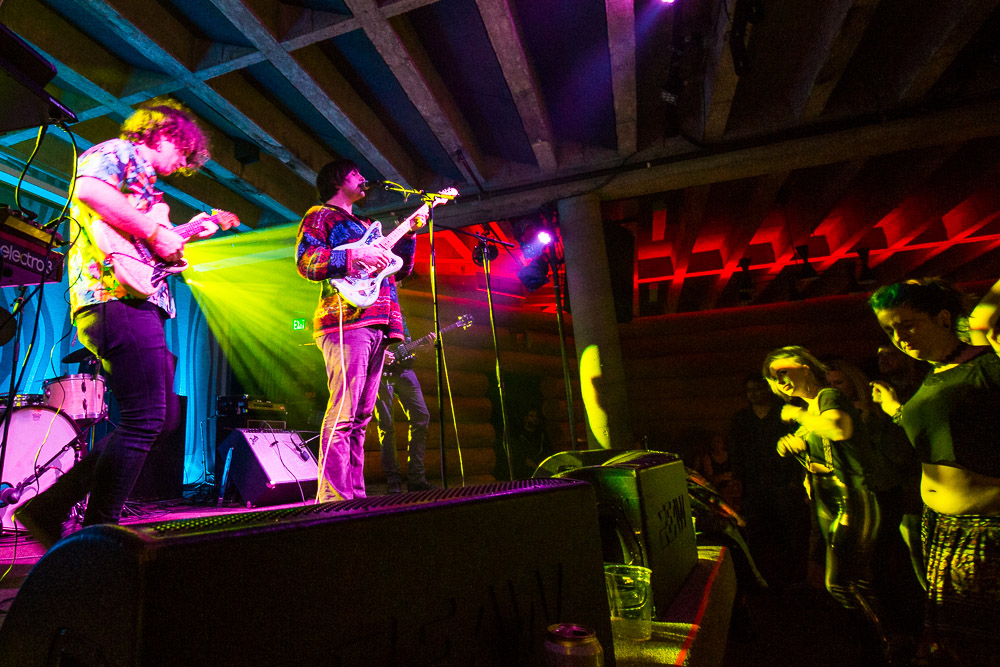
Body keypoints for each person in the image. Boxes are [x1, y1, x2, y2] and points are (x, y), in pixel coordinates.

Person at [15, 99, 231, 547]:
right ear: (166, 134)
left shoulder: (149, 191)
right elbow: (90, 192)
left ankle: (60, 514)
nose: (182, 165)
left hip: (132, 299)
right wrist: (157, 233)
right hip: (114, 298)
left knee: (159, 417)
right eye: (183, 154)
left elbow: (146, 243)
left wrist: (183, 235)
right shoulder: (118, 153)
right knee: (147, 418)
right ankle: (89, 528)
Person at [869, 278, 1000, 665]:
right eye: (889, 329)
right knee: (954, 645)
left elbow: (986, 318)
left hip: (987, 530)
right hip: (943, 530)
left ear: (944, 318)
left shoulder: (989, 363)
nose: (898, 337)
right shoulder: (932, 374)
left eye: (907, 324)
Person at [295, 160, 419, 501]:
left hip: (380, 323)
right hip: (344, 321)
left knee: (362, 418)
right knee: (345, 413)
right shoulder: (321, 216)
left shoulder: (367, 225)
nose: (364, 179)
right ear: (337, 181)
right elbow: (307, 261)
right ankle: (333, 498)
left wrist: (409, 236)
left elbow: (399, 270)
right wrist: (355, 257)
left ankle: (355, 496)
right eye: (355, 174)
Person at [763, 346, 890, 664]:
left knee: (838, 584)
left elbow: (838, 428)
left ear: (805, 368)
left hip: (851, 495)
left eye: (783, 372)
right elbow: (820, 443)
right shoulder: (812, 408)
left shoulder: (826, 399)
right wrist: (792, 444)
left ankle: (882, 645)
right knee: (857, 580)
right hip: (828, 498)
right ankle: (877, 646)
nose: (779, 382)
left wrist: (798, 416)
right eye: (773, 378)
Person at [727, 373, 805, 586]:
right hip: (754, 483)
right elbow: (736, 450)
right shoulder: (741, 418)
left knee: (789, 528)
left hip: (783, 481)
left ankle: (793, 576)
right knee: (757, 529)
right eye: (749, 390)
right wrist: (738, 478)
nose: (753, 394)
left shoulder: (782, 414)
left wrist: (795, 478)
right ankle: (760, 575)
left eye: (758, 389)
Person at [374, 314, 432, 493]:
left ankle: (416, 478)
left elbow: (405, 343)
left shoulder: (399, 310)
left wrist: (421, 347)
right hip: (381, 372)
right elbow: (367, 338)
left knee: (421, 416)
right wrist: (380, 354)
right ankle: (393, 481)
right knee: (386, 425)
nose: (398, 284)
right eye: (396, 282)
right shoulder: (374, 302)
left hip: (404, 370)